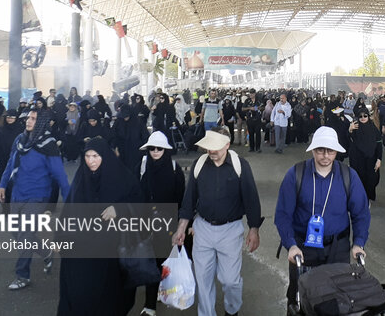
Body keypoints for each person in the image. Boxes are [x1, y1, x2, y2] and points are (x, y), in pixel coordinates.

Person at [274, 126, 370, 315]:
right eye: (320, 150)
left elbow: (361, 213)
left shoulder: (348, 176)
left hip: (338, 248)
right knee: (300, 297)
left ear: (336, 152)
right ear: (312, 150)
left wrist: (359, 243)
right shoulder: (296, 174)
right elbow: (283, 214)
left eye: (330, 151)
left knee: (337, 297)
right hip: (303, 248)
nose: (325, 156)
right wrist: (291, 245)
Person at [172, 127, 262, 316]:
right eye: (208, 148)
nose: (211, 152)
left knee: (230, 281)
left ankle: (232, 310)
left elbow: (251, 199)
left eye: (215, 148)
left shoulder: (240, 165)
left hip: (230, 230)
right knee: (203, 280)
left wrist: (254, 229)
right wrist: (182, 227)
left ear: (227, 145)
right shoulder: (199, 164)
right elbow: (189, 199)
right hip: (202, 228)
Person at [57, 137, 143, 315]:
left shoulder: (122, 177)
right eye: (87, 156)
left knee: (108, 295)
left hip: (110, 250)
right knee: (79, 292)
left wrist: (119, 209)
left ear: (104, 156)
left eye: (95, 156)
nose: (91, 161)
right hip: (82, 248)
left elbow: (139, 205)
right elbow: (68, 211)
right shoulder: (81, 179)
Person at [0, 109, 70, 290]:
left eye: (33, 119)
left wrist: (70, 200)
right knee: (17, 232)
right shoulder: (20, 140)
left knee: (25, 234)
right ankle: (46, 252)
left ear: (42, 122)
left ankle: (22, 276)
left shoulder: (49, 144)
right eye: (28, 118)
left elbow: (60, 175)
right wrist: (2, 184)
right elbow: (10, 163)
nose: (28, 121)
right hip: (17, 194)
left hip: (37, 196)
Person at [136, 132, 186, 316]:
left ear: (165, 150)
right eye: (152, 148)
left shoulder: (174, 169)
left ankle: (161, 290)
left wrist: (182, 225)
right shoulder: (142, 166)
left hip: (168, 224)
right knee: (151, 263)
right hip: (147, 223)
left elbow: (182, 199)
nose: (155, 151)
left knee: (163, 262)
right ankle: (149, 306)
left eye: (159, 148)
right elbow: (135, 194)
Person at [348, 107, 382, 202]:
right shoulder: (355, 128)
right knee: (358, 180)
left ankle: (368, 197)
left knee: (371, 180)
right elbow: (347, 141)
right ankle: (362, 200)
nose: (363, 118)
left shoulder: (374, 129)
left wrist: (379, 159)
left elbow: (379, 144)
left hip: (371, 159)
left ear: (368, 117)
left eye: (365, 116)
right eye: (360, 116)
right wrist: (350, 130)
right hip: (358, 161)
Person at [0, 109, 22, 205]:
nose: (9, 119)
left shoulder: (21, 130)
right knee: (4, 184)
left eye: (12, 117)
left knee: (17, 184)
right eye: (8, 117)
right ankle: (6, 207)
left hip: (18, 161)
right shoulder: (0, 131)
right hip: (3, 161)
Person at [242, 88, 262, 152]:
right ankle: (251, 147)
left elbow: (263, 107)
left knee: (258, 134)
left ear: (254, 94)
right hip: (250, 119)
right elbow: (243, 109)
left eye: (252, 93)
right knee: (251, 134)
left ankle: (258, 148)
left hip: (257, 119)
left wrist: (256, 108)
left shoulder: (259, 100)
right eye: (250, 93)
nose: (251, 94)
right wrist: (250, 108)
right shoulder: (247, 101)